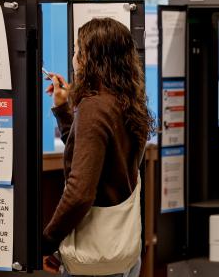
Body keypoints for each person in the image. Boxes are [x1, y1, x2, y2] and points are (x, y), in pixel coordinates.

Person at [42, 17, 153, 276]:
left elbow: (79, 194)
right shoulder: (127, 103)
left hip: (95, 260)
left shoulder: (94, 107)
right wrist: (63, 109)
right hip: (123, 253)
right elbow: (90, 153)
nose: (73, 58)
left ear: (88, 59)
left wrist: (48, 242)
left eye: (77, 50)